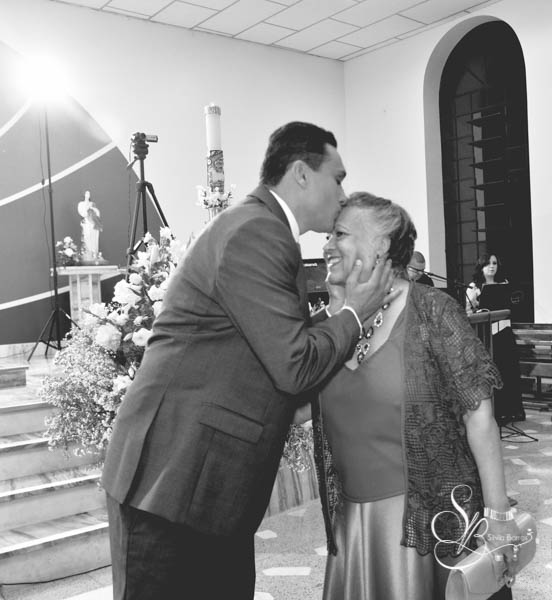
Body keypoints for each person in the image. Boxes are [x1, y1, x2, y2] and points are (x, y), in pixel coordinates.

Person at [101, 122, 398, 600]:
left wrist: (340, 321)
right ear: (301, 173)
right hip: (175, 482)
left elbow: (273, 349)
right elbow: (294, 365)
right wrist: (353, 314)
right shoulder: (258, 231)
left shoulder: (260, 227)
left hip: (203, 486)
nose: (343, 194)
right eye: (338, 178)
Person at [312, 192, 520, 600]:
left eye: (340, 234)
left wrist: (498, 516)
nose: (327, 246)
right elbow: (298, 408)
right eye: (328, 236)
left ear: (381, 245)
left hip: (429, 521)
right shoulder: (331, 324)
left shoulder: (433, 311)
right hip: (356, 529)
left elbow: (478, 417)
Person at [466, 253, 525, 426]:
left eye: (494, 263)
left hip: (504, 332)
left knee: (509, 371)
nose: (492, 266)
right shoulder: (473, 287)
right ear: (481, 267)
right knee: (493, 373)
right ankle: (497, 412)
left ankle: (512, 411)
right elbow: (468, 313)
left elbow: (512, 307)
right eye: (487, 264)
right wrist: (474, 304)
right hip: (487, 335)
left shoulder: (504, 284)